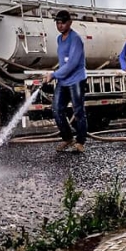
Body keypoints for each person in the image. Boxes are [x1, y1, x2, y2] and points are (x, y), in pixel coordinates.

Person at [43, 10, 88, 152]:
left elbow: (72, 63)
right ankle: (68, 138)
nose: (60, 25)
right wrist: (56, 73)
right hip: (63, 81)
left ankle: (80, 142)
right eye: (57, 23)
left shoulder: (76, 39)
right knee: (57, 110)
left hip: (76, 80)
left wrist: (54, 74)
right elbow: (63, 61)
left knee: (78, 111)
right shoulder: (59, 39)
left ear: (70, 22)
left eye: (62, 22)